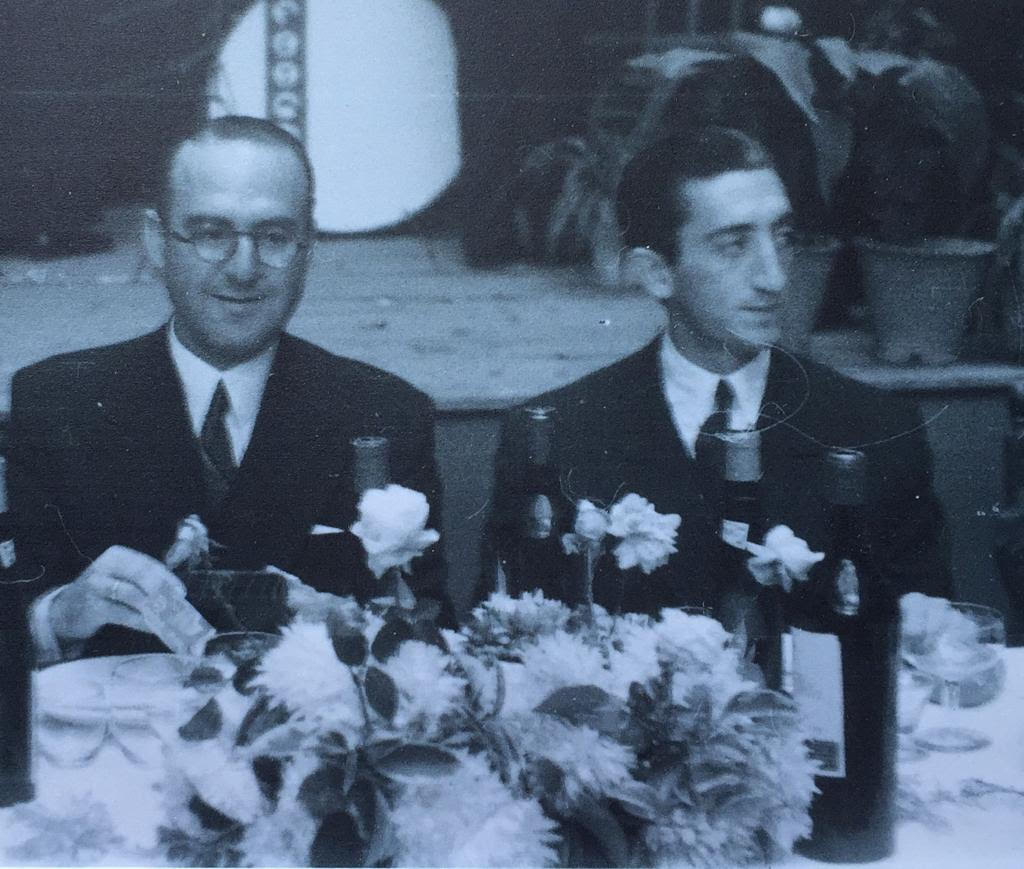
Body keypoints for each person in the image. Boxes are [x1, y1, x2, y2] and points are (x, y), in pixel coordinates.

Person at [8, 116, 447, 660]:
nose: (243, 268)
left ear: (307, 248)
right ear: (156, 242)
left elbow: (429, 636)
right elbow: (12, 611)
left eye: (274, 237)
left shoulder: (385, 413)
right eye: (212, 234)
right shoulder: (57, 403)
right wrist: (60, 613)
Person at [487, 126, 952, 617]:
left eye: (784, 238)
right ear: (657, 273)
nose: (774, 277)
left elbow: (924, 640)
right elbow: (512, 636)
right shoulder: (560, 435)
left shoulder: (877, 431)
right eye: (734, 246)